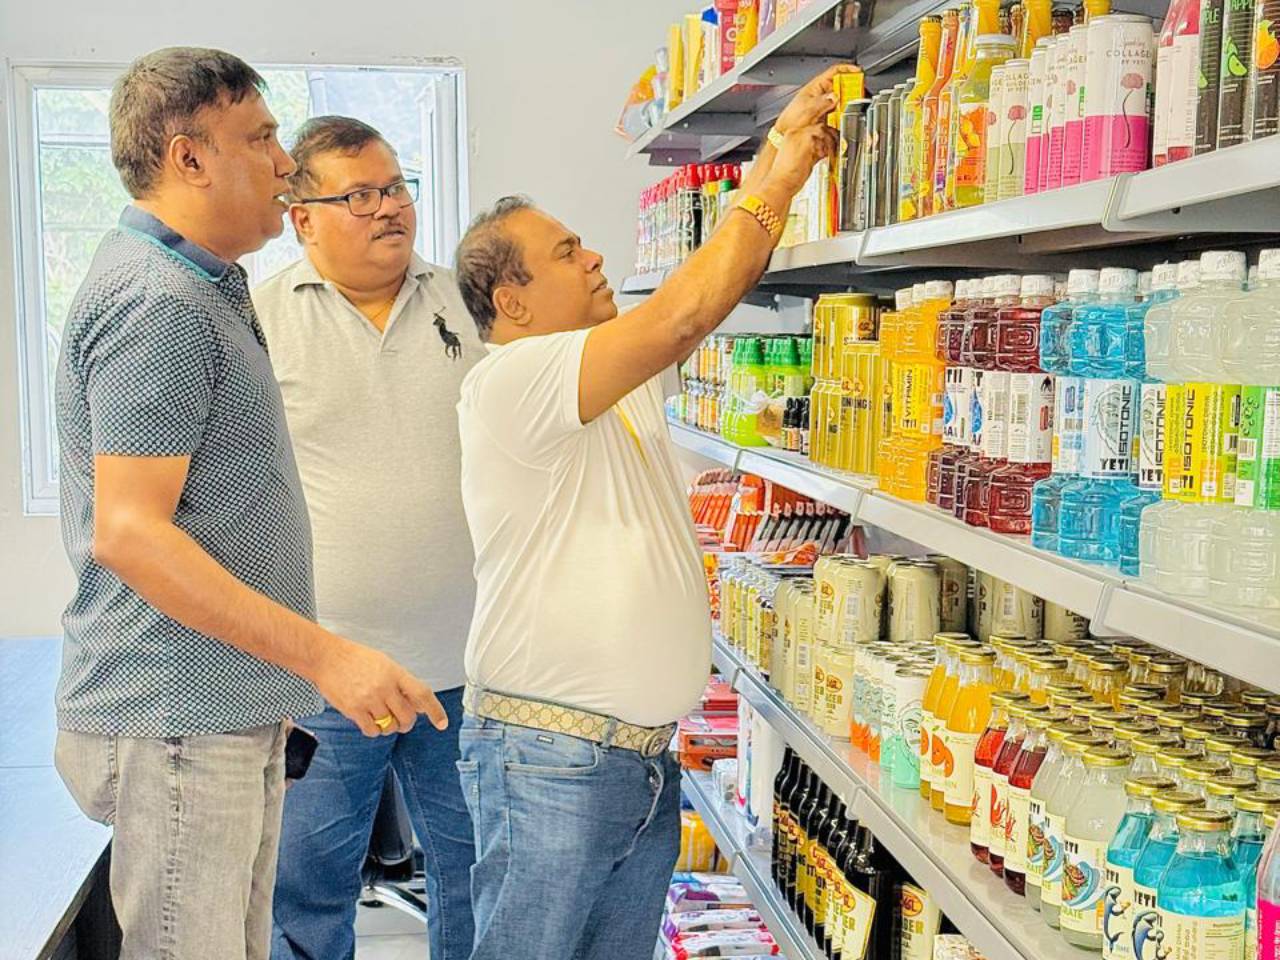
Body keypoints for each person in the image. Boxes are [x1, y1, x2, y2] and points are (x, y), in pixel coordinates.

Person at [52, 48, 444, 960]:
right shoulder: (157, 302)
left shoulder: (203, 285)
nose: (282, 164)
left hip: (222, 710)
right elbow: (132, 534)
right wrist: (328, 657)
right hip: (178, 720)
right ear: (188, 158)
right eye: (261, 138)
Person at [451, 65, 850, 960]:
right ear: (510, 301)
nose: (593, 258)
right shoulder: (514, 380)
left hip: (633, 761)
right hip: (551, 762)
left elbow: (692, 313)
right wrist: (777, 174)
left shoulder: (604, 379)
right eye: (566, 253)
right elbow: (678, 319)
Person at [253, 115, 481, 960]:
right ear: (301, 214)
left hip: (467, 666)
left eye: (395, 188)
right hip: (322, 674)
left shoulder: (468, 303)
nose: (388, 208)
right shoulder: (256, 319)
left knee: (477, 879)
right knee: (302, 894)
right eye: (358, 195)